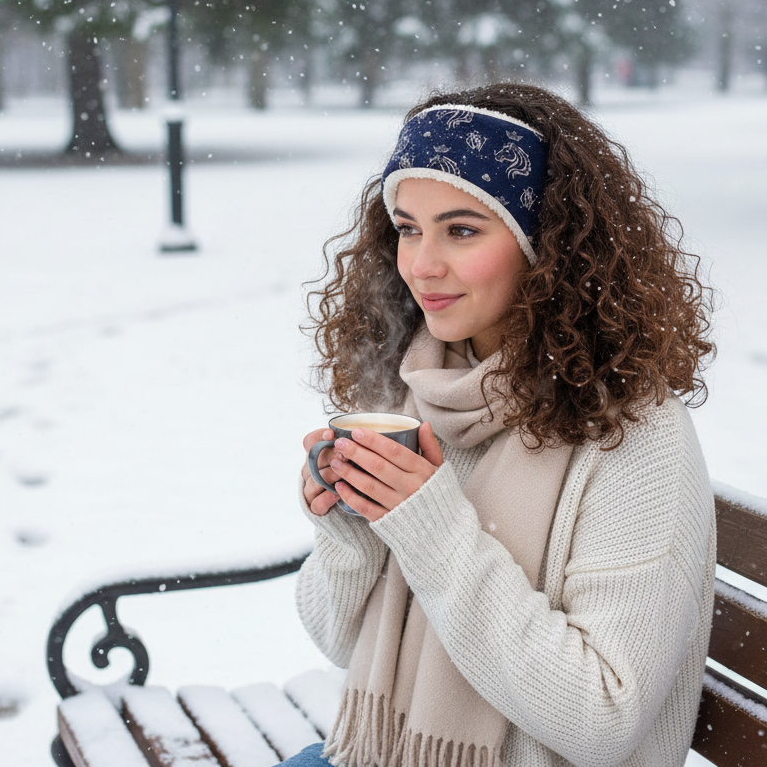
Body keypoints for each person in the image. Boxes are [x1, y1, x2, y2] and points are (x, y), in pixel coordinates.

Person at [295, 83, 716, 767]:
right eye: (407, 228)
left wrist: (431, 530)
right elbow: (342, 641)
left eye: (461, 229)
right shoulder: (428, 384)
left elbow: (602, 720)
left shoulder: (637, 436)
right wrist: (350, 525)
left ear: (547, 246)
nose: (421, 265)